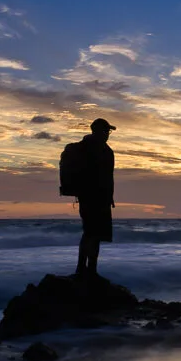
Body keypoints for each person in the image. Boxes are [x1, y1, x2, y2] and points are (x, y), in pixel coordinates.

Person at [75, 118, 115, 277]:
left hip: (89, 197)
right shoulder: (100, 150)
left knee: (90, 233)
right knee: (93, 233)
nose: (108, 134)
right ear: (99, 131)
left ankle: (85, 269)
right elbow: (106, 176)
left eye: (108, 131)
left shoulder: (84, 147)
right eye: (106, 131)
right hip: (96, 198)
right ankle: (88, 270)